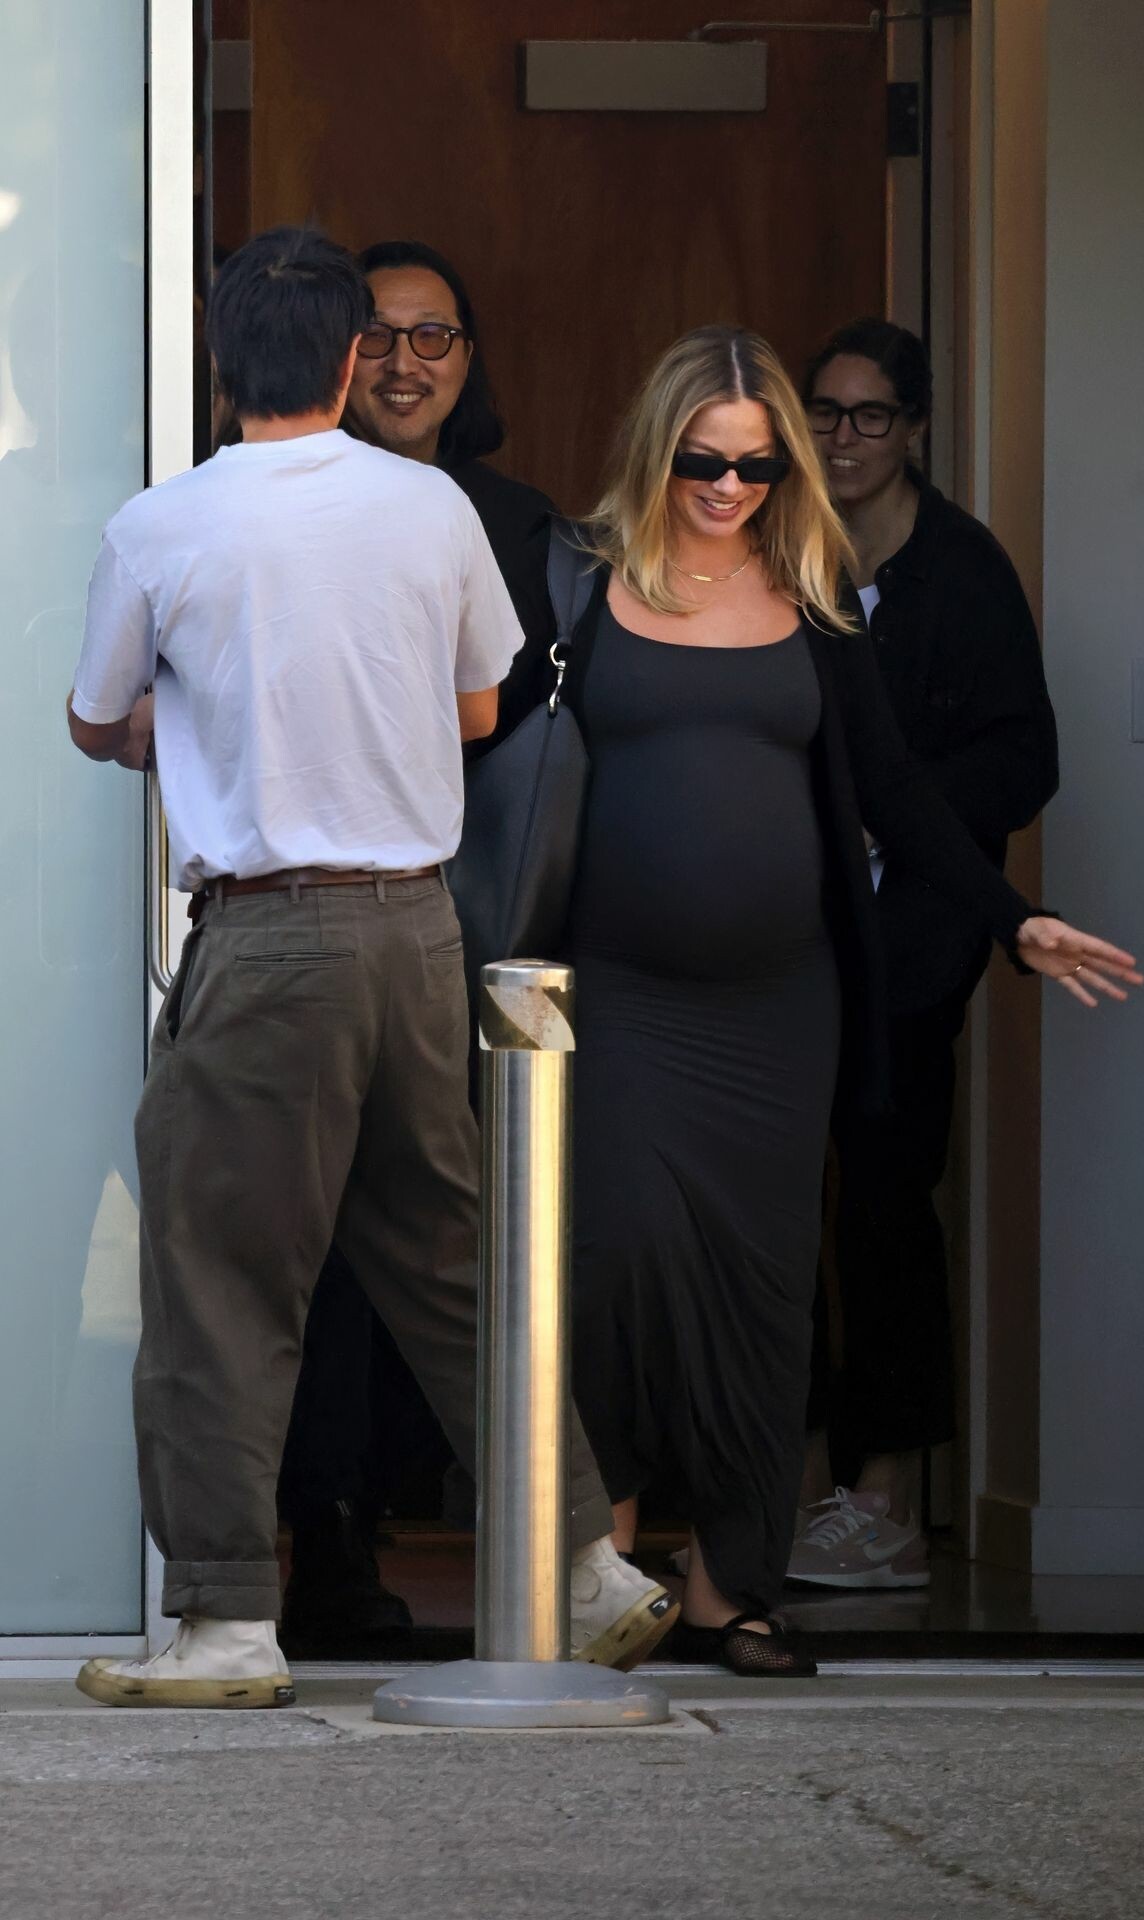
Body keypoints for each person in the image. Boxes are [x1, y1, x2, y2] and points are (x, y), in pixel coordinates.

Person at [65, 226, 670, 1709]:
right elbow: (478, 710)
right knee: (455, 1264)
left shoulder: (161, 524)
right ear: (349, 362)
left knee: (221, 1276)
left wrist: (191, 720)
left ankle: (225, 1621)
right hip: (414, 928)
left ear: (221, 365)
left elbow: (95, 720)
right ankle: (585, 1561)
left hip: (271, 936)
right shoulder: (432, 509)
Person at [479, 324, 1141, 1676]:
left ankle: (729, 1588)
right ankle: (600, 1574)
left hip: (780, 1011)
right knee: (613, 1266)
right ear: (655, 451)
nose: (729, 489)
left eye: (757, 466)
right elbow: (481, 740)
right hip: (618, 999)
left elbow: (892, 787)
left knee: (760, 1292)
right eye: (703, 463)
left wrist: (1010, 919)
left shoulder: (815, 597)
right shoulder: (576, 583)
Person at [277, 238, 565, 1652]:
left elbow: (526, 728)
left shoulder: (520, 526)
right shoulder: (280, 498)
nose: (404, 363)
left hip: (478, 925)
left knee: (449, 1240)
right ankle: (330, 1545)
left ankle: (494, 1543)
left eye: (432, 336)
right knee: (327, 1245)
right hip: (323, 913)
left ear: (470, 356)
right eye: (377, 336)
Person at [787, 319, 1058, 1590]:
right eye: (823, 413)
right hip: (782, 930)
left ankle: (883, 1497)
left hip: (915, 941)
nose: (843, 439)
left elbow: (1025, 759)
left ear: (915, 429)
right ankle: (785, 1479)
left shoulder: (962, 568)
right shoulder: (774, 544)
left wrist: (895, 815)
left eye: (870, 416)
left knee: (888, 1203)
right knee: (773, 1206)